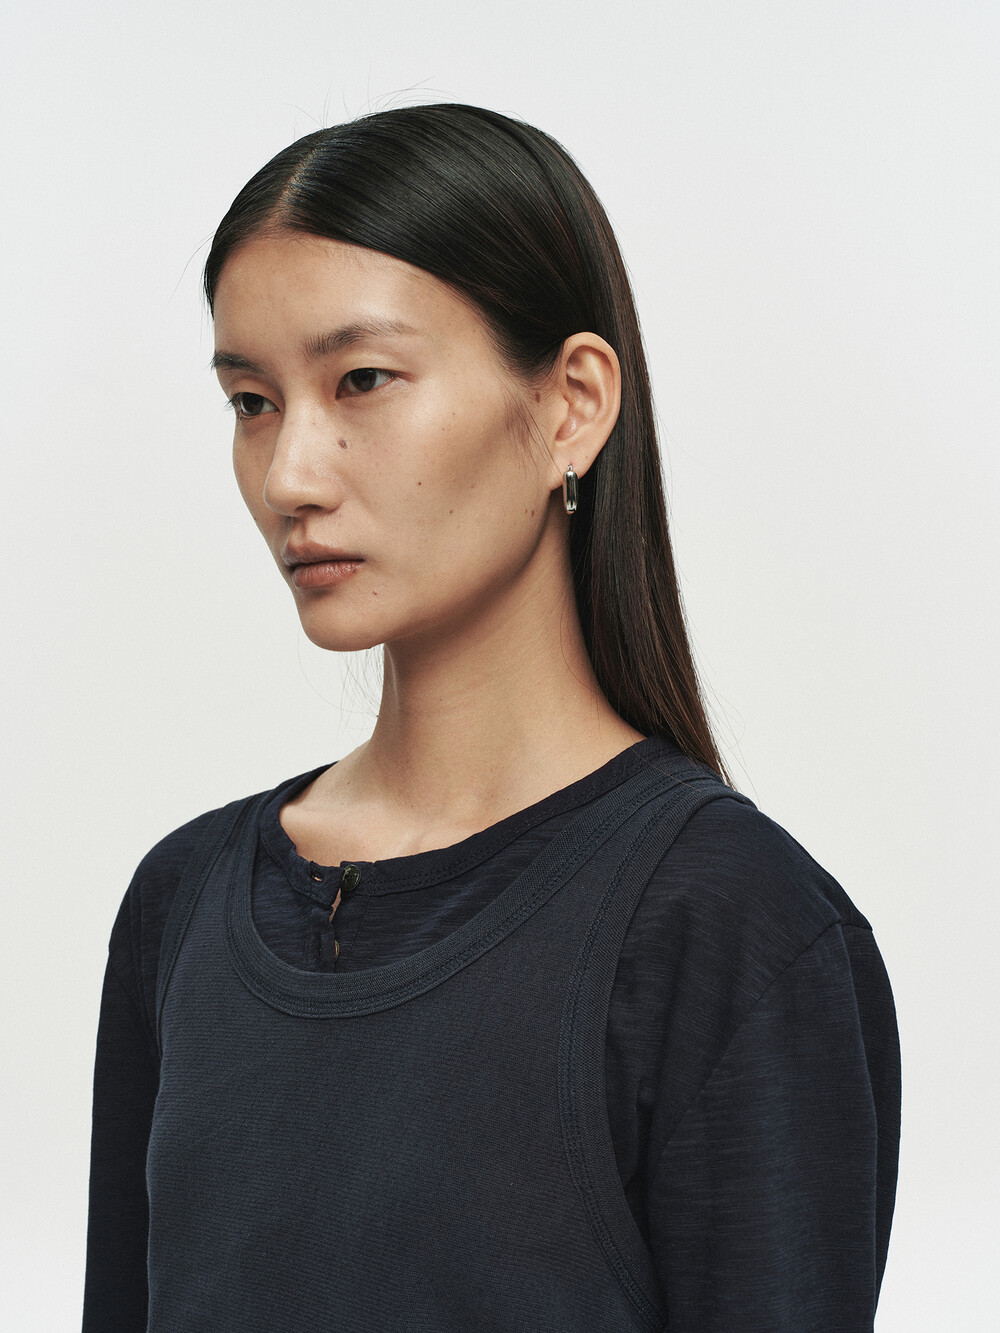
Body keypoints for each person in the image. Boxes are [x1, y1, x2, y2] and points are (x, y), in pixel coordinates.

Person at [82, 103, 901, 1332]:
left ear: (571, 404)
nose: (291, 474)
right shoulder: (183, 905)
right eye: (252, 402)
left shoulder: (729, 926)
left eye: (362, 380)